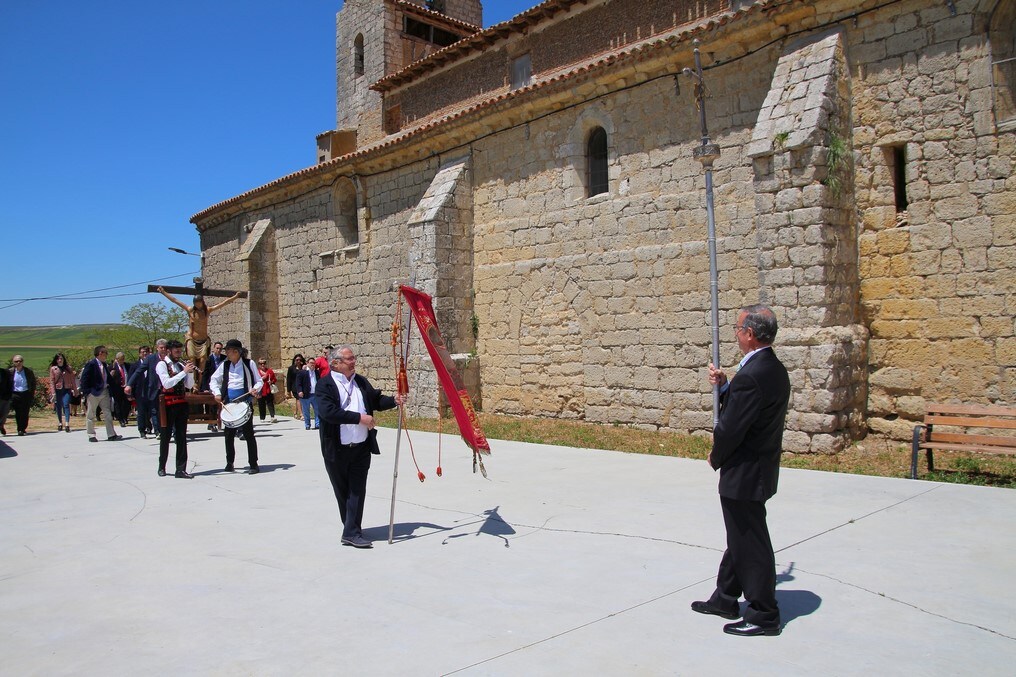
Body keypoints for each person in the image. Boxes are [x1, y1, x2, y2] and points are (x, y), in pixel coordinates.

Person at [691, 304, 791, 637]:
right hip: (759, 469)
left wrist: (716, 455)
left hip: (745, 472)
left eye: (737, 330)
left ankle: (764, 613)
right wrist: (725, 385)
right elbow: (750, 405)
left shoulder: (753, 375)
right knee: (741, 536)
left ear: (749, 334)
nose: (735, 335)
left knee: (751, 542)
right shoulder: (771, 368)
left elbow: (732, 428)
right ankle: (725, 597)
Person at [316, 345, 404, 549]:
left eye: (354, 358)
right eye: (349, 359)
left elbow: (375, 400)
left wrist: (394, 400)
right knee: (342, 491)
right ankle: (351, 529)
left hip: (361, 448)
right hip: (336, 449)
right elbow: (328, 413)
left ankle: (352, 532)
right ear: (336, 363)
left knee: (357, 490)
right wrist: (359, 418)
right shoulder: (324, 385)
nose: (353, 361)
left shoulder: (360, 381)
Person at [156, 286, 242, 381]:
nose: (198, 305)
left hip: (203, 340)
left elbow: (222, 304)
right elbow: (175, 300)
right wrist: (164, 292)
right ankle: (193, 383)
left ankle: (199, 383)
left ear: (202, 302)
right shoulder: (190, 310)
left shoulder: (207, 310)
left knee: (202, 361)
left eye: (199, 303)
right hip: (192, 339)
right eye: (196, 304)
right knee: (192, 359)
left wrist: (235, 297)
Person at [210, 339, 262, 474]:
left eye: (228, 350)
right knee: (228, 435)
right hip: (229, 404)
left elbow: (259, 381)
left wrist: (255, 389)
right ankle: (230, 462)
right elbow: (214, 380)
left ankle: (253, 464)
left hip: (245, 403)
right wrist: (216, 393)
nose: (226, 353)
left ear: (236, 352)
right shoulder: (225, 365)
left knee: (249, 434)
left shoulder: (249, 363)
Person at [156, 340, 196, 478]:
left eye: (180, 351)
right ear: (169, 351)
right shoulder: (162, 365)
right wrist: (183, 372)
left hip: (181, 404)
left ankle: (181, 469)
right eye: (176, 351)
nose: (179, 354)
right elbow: (166, 384)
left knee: (181, 436)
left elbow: (189, 385)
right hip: (167, 405)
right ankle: (162, 466)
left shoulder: (180, 365)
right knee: (166, 436)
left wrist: (190, 373)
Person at [79, 346, 123, 443]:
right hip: (93, 393)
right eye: (105, 353)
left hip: (104, 392)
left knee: (107, 414)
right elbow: (84, 379)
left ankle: (111, 434)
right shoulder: (91, 364)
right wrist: (87, 392)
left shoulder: (104, 365)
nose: (106, 355)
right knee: (91, 414)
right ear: (100, 353)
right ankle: (91, 435)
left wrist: (115, 389)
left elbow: (109, 379)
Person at [127, 339, 167, 439]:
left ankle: (158, 431)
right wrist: (129, 385)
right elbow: (138, 372)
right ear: (157, 348)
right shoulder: (151, 359)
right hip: (147, 390)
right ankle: (142, 430)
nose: (163, 349)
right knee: (142, 412)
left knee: (156, 411)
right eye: (161, 347)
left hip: (162, 390)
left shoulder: (168, 359)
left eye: (165, 348)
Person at [127, 346, 152, 438]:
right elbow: (130, 379)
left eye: (146, 352)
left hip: (151, 392)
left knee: (151, 411)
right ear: (139, 354)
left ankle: (150, 427)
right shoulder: (135, 365)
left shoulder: (153, 364)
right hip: (139, 392)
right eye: (142, 352)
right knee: (141, 412)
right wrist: (130, 393)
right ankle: (142, 430)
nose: (144, 353)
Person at [200, 341, 226, 431]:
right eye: (217, 348)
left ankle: (220, 421)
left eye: (220, 349)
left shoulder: (225, 359)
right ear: (213, 349)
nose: (218, 350)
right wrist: (205, 388)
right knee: (211, 404)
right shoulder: (208, 360)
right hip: (211, 385)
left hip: (221, 385)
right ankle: (211, 422)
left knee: (221, 404)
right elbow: (205, 375)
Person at [49, 353, 77, 432]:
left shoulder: (68, 368)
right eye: (58, 359)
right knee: (58, 406)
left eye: (61, 359)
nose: (60, 360)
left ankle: (67, 423)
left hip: (67, 389)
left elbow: (72, 380)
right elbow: (51, 381)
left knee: (66, 405)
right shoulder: (53, 369)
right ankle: (60, 422)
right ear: (56, 360)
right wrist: (53, 392)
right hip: (58, 389)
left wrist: (75, 390)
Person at [109, 351, 131, 428]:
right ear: (117, 359)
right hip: (117, 388)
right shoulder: (112, 367)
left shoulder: (127, 366)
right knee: (118, 404)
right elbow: (109, 377)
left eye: (123, 359)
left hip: (126, 387)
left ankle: (125, 417)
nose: (122, 361)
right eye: (120, 359)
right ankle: (120, 419)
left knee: (127, 404)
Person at [296, 359, 319, 430]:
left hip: (315, 394)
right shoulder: (302, 372)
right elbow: (298, 383)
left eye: (314, 363)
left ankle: (318, 424)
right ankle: (307, 424)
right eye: (311, 363)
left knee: (317, 410)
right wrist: (300, 391)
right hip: (306, 395)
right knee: (306, 411)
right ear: (307, 363)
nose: (312, 364)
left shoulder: (317, 372)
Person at [256, 358, 278, 423]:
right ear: (259, 365)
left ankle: (272, 416)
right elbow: (255, 380)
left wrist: (271, 381)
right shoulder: (257, 372)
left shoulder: (270, 371)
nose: (262, 364)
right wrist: (261, 379)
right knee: (261, 404)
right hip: (261, 390)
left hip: (268, 389)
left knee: (270, 403)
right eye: (261, 363)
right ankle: (262, 417)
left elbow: (274, 379)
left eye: (264, 363)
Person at [286, 354, 305, 422]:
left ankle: (295, 412)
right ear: (294, 360)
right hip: (294, 386)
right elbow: (289, 379)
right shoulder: (291, 368)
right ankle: (301, 414)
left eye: (300, 360)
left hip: (302, 386)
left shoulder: (304, 367)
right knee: (298, 399)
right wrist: (288, 390)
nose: (298, 361)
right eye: (297, 360)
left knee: (299, 400)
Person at [0, 363, 12, 436]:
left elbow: (9, 384)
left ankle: (1, 425)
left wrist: (9, 395)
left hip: (4, 397)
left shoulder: (5, 372)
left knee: (4, 414)